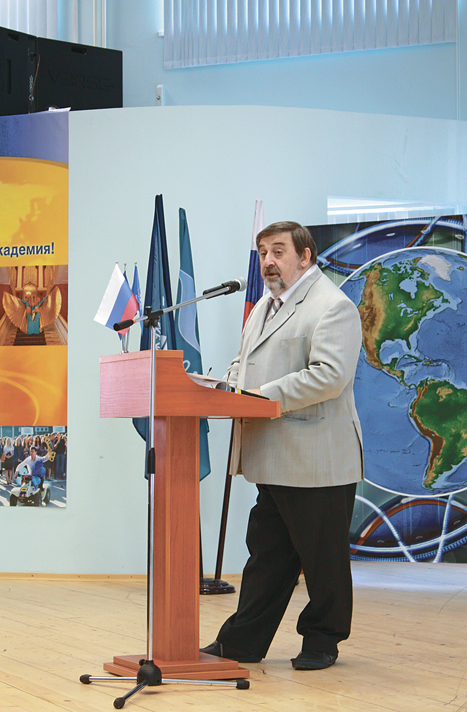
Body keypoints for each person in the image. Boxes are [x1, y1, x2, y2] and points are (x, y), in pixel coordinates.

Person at [201, 221, 363, 671]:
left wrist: (258, 397)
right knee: (267, 556)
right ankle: (242, 642)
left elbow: (329, 376)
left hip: (316, 456)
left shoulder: (333, 305)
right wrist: (226, 386)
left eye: (278, 251)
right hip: (272, 454)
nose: (268, 261)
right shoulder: (264, 306)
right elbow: (243, 361)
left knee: (323, 559)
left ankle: (322, 640)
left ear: (305, 256)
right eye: (262, 253)